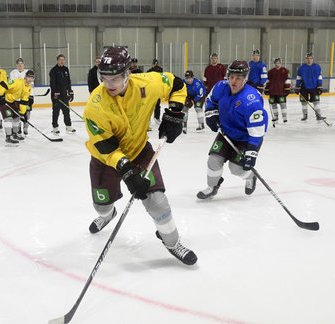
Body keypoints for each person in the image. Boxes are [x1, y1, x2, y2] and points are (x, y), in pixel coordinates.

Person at [84, 46, 197, 266]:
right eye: (104, 78)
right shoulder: (95, 106)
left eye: (115, 78)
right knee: (101, 206)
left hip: (139, 151)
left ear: (127, 74)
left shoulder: (147, 83)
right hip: (105, 160)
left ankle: (172, 242)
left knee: (158, 203)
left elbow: (176, 84)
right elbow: (104, 146)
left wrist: (175, 114)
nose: (109, 85)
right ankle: (107, 215)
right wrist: (126, 170)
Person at [198, 60, 268, 199]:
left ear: (245, 79)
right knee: (213, 161)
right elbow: (211, 100)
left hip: (246, 139)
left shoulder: (251, 100)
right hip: (226, 133)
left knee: (236, 168)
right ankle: (212, 186)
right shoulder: (220, 87)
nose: (233, 81)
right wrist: (211, 114)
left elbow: (258, 129)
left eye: (239, 78)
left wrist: (251, 151)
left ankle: (250, 176)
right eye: (231, 77)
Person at [0, 70, 34, 145]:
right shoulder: (17, 82)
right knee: (8, 118)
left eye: (32, 78)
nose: (30, 79)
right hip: (4, 101)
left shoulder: (28, 88)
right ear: (25, 77)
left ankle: (15, 134)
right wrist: (1, 96)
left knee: (17, 117)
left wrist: (23, 113)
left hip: (12, 102)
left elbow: (24, 101)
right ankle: (8, 137)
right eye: (28, 77)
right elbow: (2, 84)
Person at [49, 54, 75, 134]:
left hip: (64, 95)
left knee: (66, 111)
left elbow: (68, 81)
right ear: (57, 60)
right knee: (56, 112)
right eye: (60, 60)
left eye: (63, 60)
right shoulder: (53, 70)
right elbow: (52, 83)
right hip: (56, 95)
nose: (62, 61)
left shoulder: (66, 69)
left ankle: (68, 126)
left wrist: (70, 91)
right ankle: (55, 127)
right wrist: (55, 93)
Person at [295, 52, 325, 121]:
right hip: (304, 87)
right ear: (305, 59)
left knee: (316, 102)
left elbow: (319, 77)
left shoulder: (317, 67)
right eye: (308, 58)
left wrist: (320, 85)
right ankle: (305, 115)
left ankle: (318, 115)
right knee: (304, 102)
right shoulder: (301, 68)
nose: (309, 60)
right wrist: (297, 86)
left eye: (310, 58)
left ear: (313, 59)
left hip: (314, 87)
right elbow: (299, 78)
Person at [9, 57, 33, 135]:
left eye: (21, 63)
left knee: (27, 114)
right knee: (17, 115)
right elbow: (12, 85)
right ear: (16, 65)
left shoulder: (28, 72)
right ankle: (18, 129)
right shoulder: (13, 73)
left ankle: (25, 128)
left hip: (26, 97)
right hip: (16, 98)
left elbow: (31, 85)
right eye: (18, 64)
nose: (20, 65)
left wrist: (31, 96)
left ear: (23, 64)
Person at [265, 58, 291, 126]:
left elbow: (288, 81)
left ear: (281, 63)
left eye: (279, 63)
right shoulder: (270, 72)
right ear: (274, 63)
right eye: (276, 63)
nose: (277, 64)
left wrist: (287, 89)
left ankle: (284, 117)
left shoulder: (285, 71)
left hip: (281, 92)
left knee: (283, 104)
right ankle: (275, 117)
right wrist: (266, 89)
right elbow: (268, 81)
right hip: (272, 91)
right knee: (273, 105)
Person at [147, 59, 164, 125]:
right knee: (150, 105)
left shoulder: (160, 69)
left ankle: (157, 117)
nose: (155, 64)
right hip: (151, 89)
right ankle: (148, 119)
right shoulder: (149, 71)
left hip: (158, 88)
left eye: (156, 63)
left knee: (157, 104)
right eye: (154, 63)